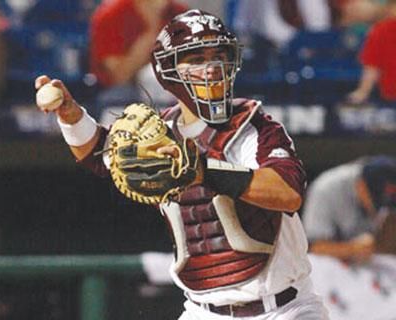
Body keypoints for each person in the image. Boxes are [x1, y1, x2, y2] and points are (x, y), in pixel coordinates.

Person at [35, 10, 329, 319]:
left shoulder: (254, 125)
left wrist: (203, 169)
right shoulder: (158, 131)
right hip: (203, 311)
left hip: (284, 309)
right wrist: (71, 116)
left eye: (219, 55)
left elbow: (288, 193)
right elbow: (100, 153)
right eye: (197, 58)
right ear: (168, 69)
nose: (212, 68)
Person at [89, 0, 187, 112]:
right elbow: (119, 77)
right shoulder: (111, 14)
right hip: (123, 93)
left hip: (174, 87)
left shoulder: (179, 12)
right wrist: (153, 26)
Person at [302, 155, 396, 264]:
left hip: (362, 264)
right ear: (361, 185)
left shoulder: (382, 193)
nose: (376, 207)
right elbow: (313, 248)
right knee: (316, 262)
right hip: (329, 265)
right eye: (374, 198)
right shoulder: (326, 188)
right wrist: (352, 249)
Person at [347, 0, 396, 105]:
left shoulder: (381, 29)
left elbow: (371, 68)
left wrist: (363, 92)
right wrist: (363, 92)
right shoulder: (382, 30)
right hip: (390, 98)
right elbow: (372, 67)